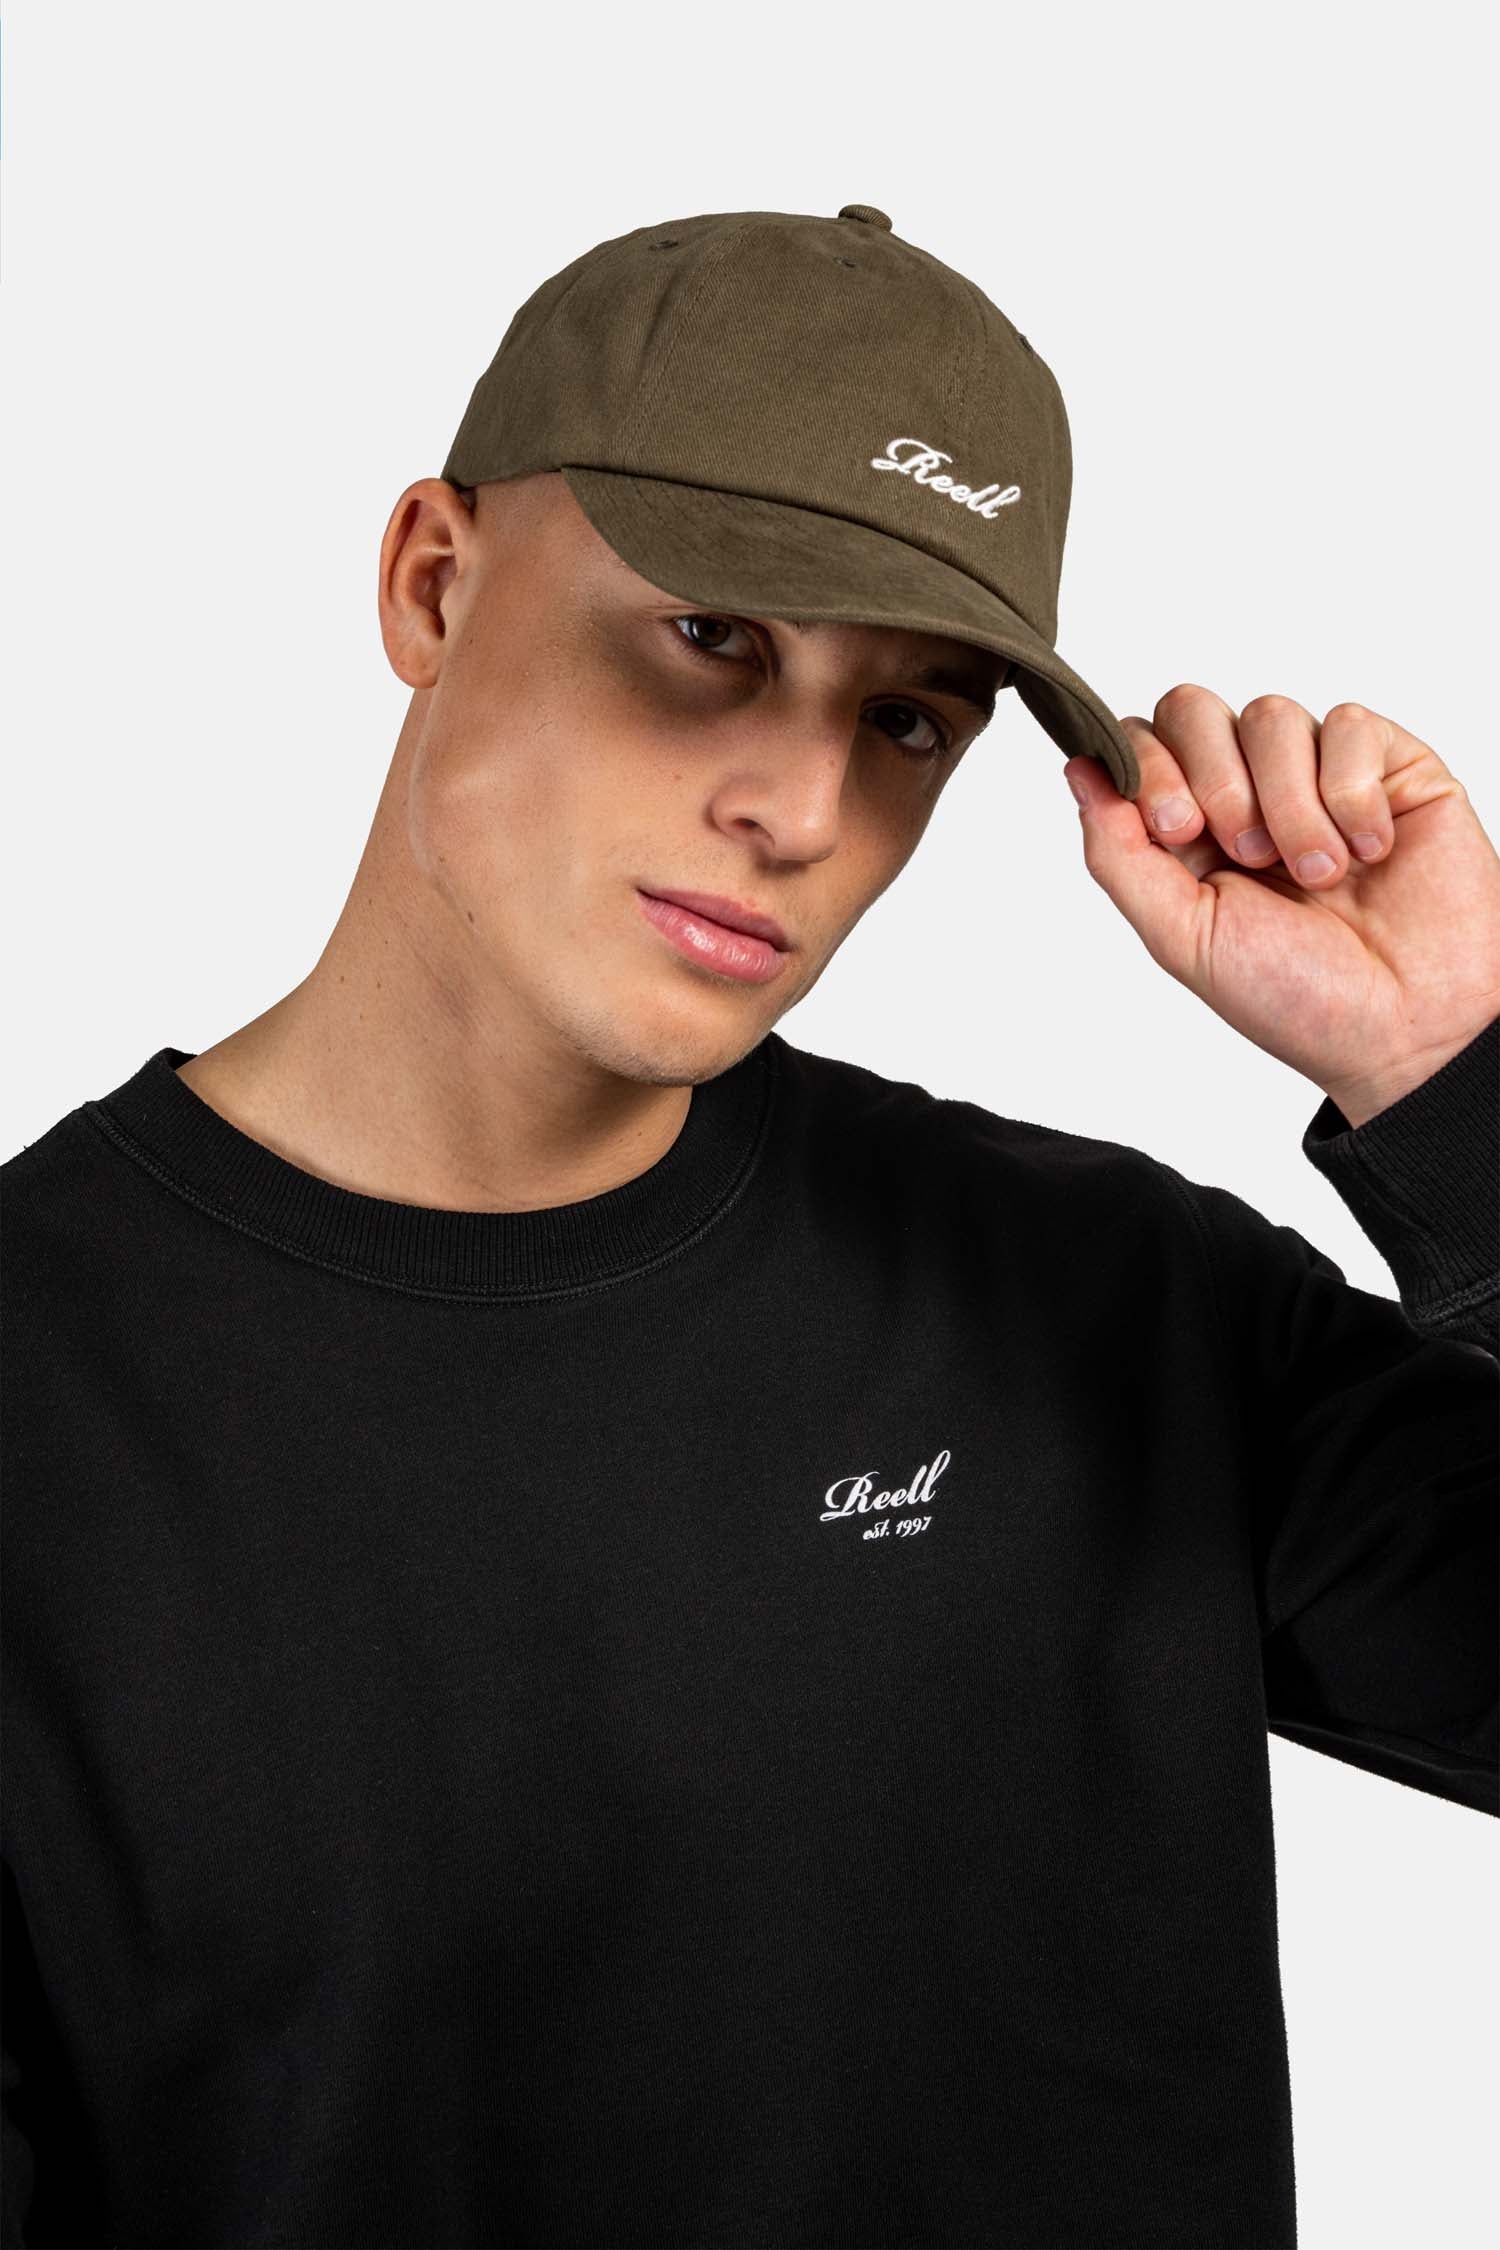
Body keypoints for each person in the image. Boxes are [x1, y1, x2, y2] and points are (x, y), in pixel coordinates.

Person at [2, 200, 1495, 2250]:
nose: (801, 811)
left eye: (908, 719)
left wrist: (1457, 1076)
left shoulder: (1111, 1304)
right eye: (716, 637)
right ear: (433, 579)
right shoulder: (41, 1401)